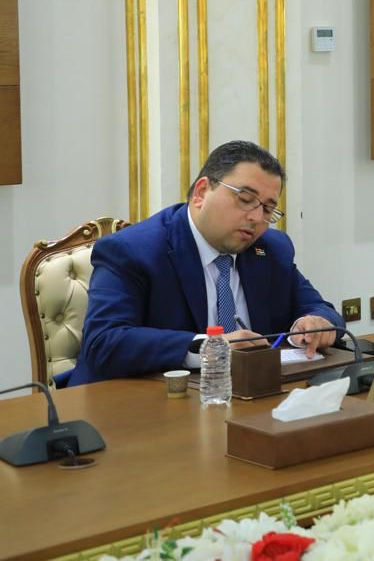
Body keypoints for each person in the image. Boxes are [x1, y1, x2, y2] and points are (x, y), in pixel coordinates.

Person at [67, 141, 343, 386]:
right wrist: (210, 348)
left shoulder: (271, 249)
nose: (257, 218)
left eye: (268, 209)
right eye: (246, 199)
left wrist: (315, 324)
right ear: (201, 192)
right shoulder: (133, 250)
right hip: (141, 403)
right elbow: (104, 341)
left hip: (248, 395)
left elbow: (321, 310)